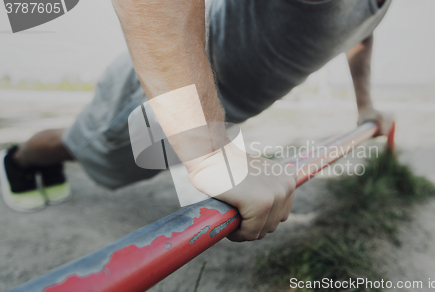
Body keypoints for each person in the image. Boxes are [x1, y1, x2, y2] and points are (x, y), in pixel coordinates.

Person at [0, 0, 393, 242]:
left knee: (128, 165)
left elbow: (360, 32)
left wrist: (365, 105)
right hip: (173, 89)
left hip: (214, 111)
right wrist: (209, 153)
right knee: (83, 148)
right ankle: (18, 162)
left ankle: (44, 165)